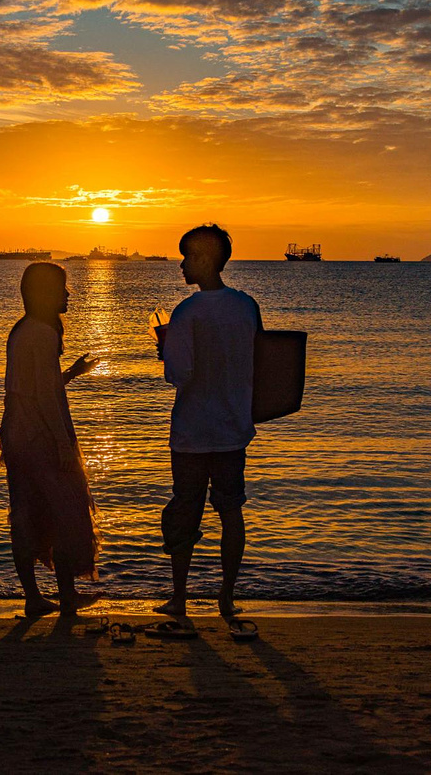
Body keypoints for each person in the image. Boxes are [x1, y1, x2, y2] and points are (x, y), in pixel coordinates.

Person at [156, 223, 262, 618]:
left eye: (186, 256)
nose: (182, 265)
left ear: (203, 259)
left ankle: (179, 599)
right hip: (233, 429)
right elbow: (258, 358)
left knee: (186, 512)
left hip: (193, 433)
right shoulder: (246, 306)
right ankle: (227, 598)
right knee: (231, 513)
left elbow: (178, 374)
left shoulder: (187, 312)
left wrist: (165, 351)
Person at [0, 262, 102, 616]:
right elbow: (44, 396)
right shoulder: (43, 334)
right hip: (38, 435)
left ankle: (33, 598)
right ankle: (67, 596)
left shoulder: (22, 329)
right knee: (65, 512)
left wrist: (72, 372)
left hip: (16, 433)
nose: (68, 294)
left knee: (26, 514)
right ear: (44, 293)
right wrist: (62, 443)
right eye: (62, 288)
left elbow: (34, 385)